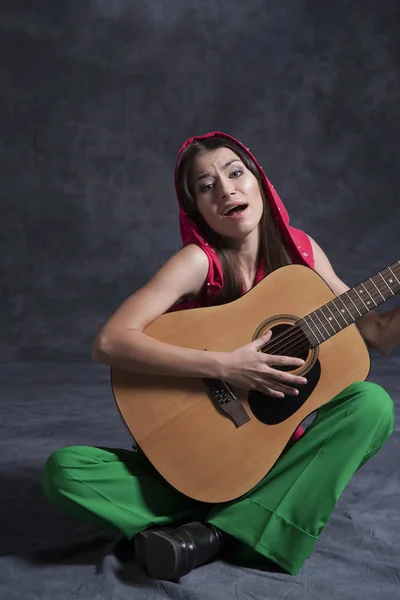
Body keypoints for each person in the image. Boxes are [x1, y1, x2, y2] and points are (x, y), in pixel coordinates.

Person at [42, 131, 396, 581]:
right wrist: (225, 366)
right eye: (206, 186)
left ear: (259, 182)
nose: (226, 189)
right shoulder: (197, 262)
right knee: (65, 473)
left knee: (373, 405)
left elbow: (380, 335)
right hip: (200, 452)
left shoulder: (302, 253)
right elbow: (109, 341)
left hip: (268, 454)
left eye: (235, 173)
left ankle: (210, 536)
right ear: (197, 209)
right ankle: (252, 520)